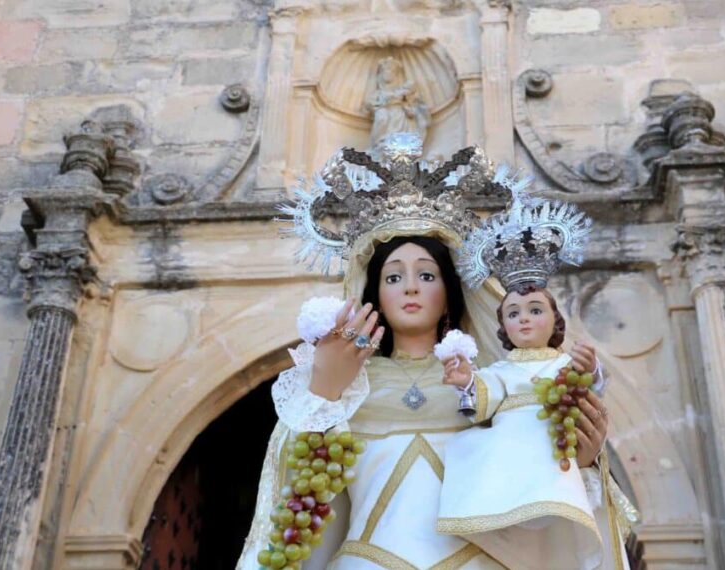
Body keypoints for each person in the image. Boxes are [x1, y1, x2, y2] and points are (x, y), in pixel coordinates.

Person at [236, 136, 630, 569]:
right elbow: (299, 497)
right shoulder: (348, 385)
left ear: (450, 291)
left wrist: (581, 462)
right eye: (392, 278)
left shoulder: (487, 380)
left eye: (426, 275)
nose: (409, 287)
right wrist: (323, 393)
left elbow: (532, 468)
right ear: (374, 293)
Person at [436, 281, 618, 570]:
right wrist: (467, 381)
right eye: (513, 313)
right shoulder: (501, 370)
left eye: (535, 310)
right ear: (503, 326)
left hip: (551, 440)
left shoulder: (565, 364)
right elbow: (485, 396)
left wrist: (590, 368)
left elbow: (589, 390)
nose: (523, 318)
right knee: (467, 448)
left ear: (556, 321)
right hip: (510, 444)